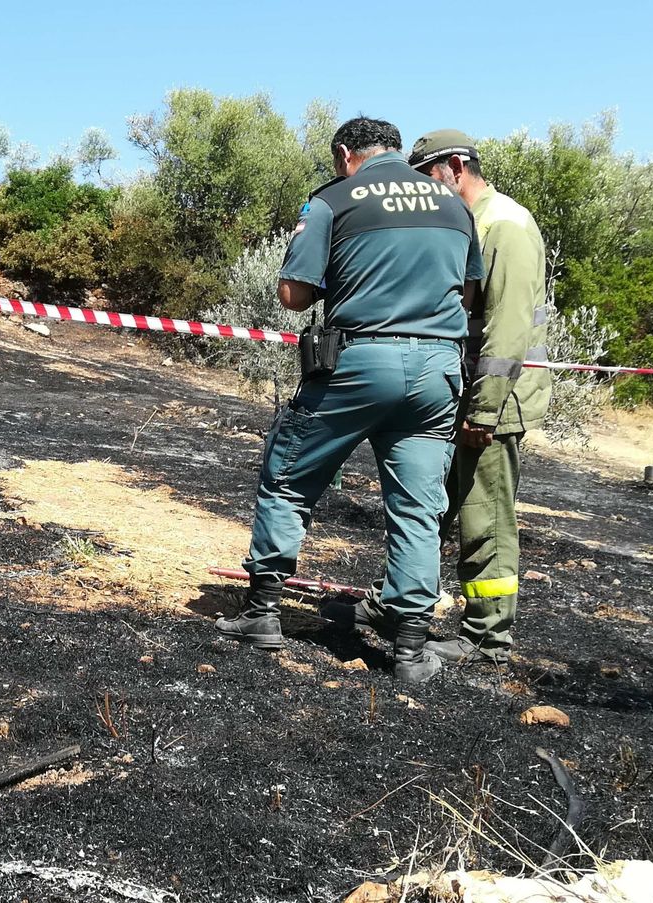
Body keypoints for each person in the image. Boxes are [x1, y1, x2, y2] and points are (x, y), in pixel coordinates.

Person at [214, 117, 483, 684]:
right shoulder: (454, 205)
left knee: (289, 478)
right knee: (418, 507)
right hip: (437, 370)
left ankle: (262, 612)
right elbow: (468, 292)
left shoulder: (334, 200)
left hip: (359, 363)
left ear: (344, 154)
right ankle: (410, 647)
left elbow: (293, 295)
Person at [408, 129, 551, 664]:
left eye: (426, 177)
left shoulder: (505, 225)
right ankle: (400, 605)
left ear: (455, 167)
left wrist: (485, 410)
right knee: (435, 506)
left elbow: (507, 331)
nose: (423, 191)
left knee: (484, 517)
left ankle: (486, 638)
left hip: (494, 403)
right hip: (463, 396)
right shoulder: (468, 222)